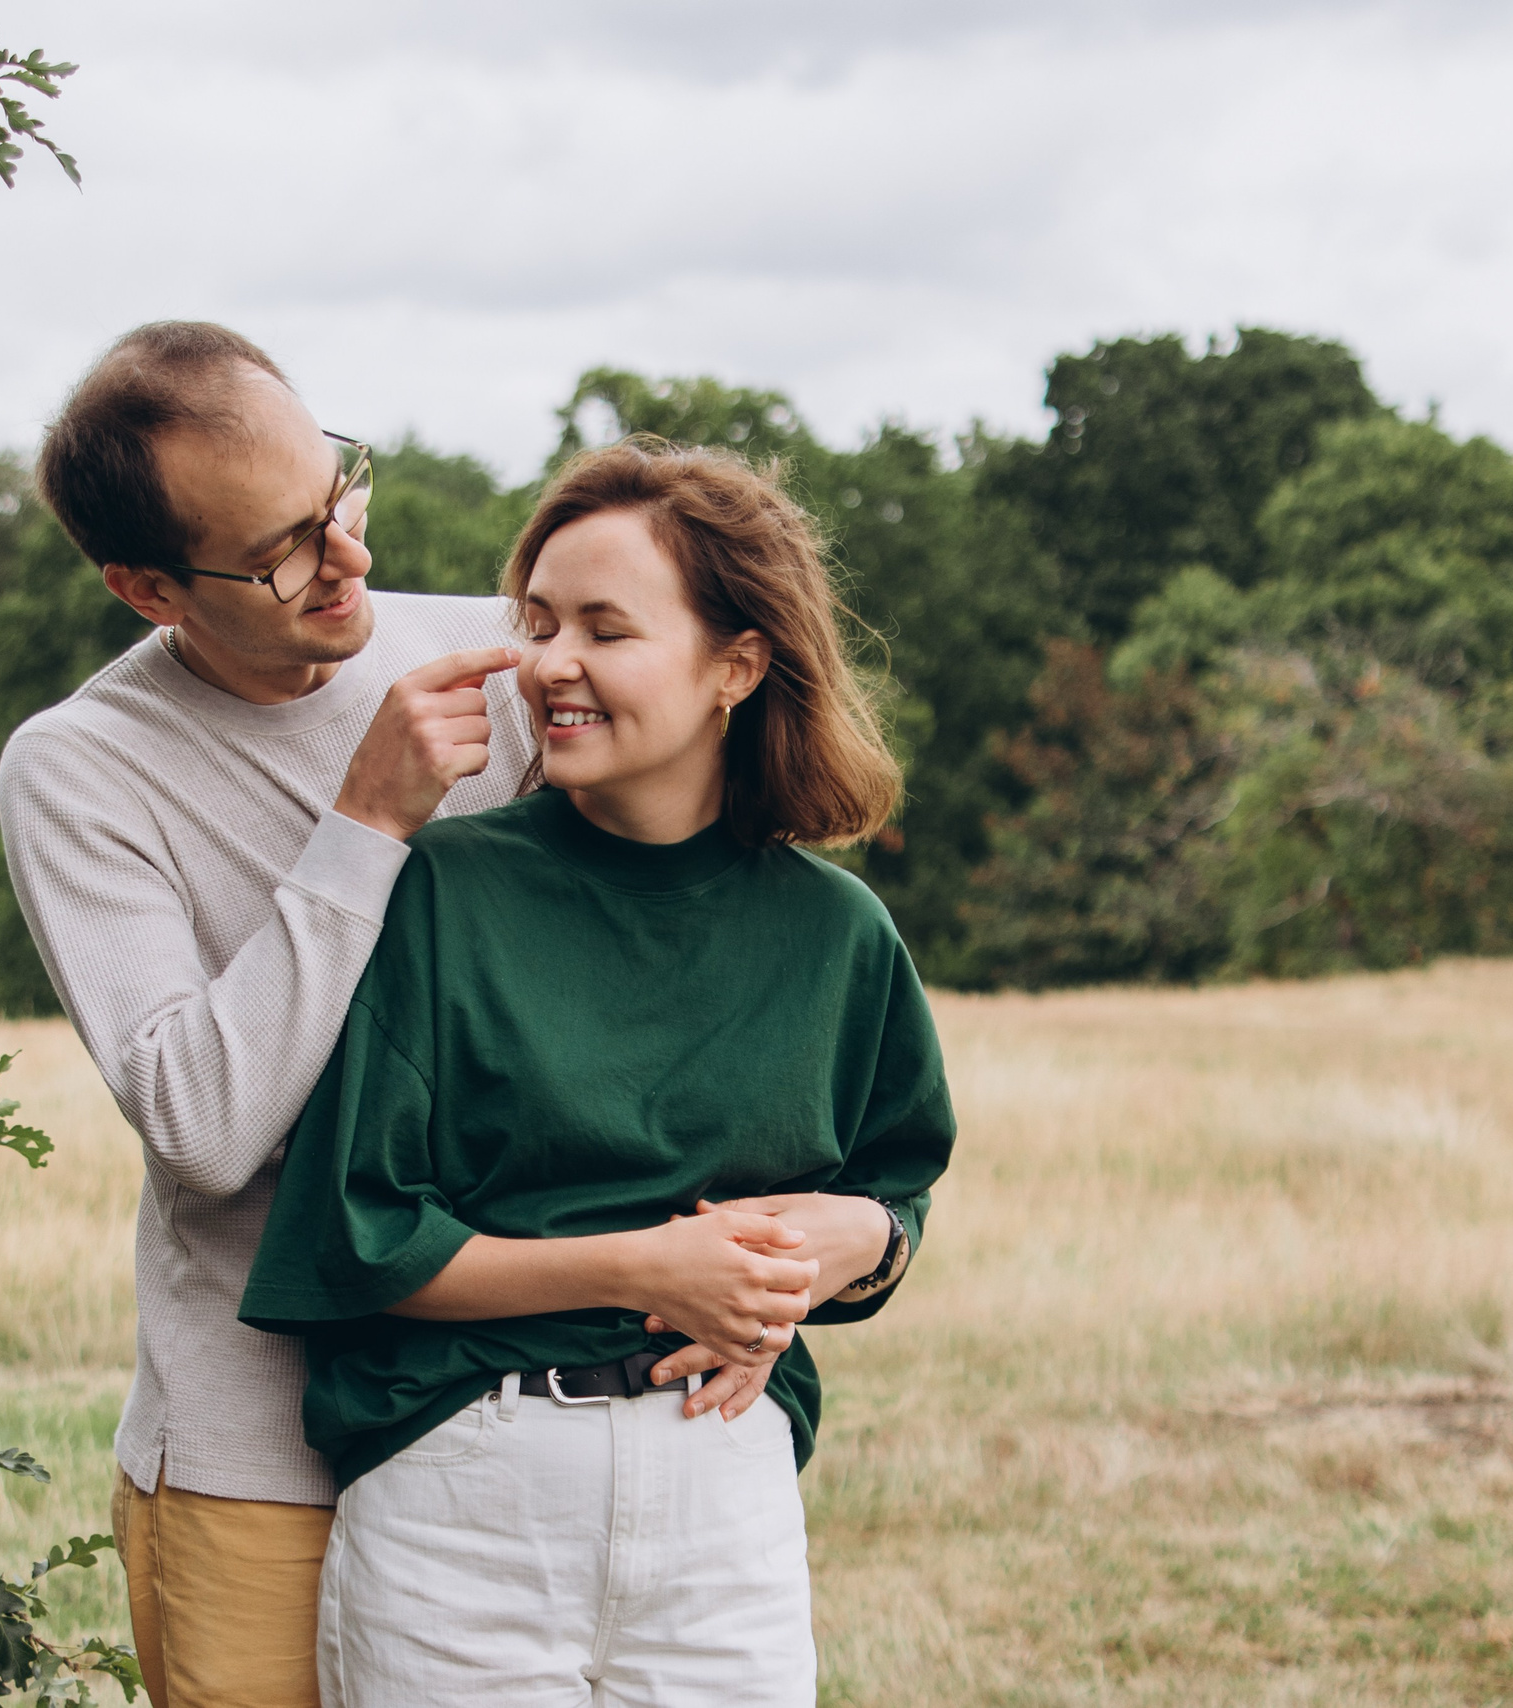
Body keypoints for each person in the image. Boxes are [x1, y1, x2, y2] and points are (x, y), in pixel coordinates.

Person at [3, 326, 886, 1707]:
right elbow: (204, 1131)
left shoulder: (507, 664)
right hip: (256, 1437)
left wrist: (772, 1257)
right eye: (282, 550)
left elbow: (643, 979)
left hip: (516, 1414)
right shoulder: (80, 771)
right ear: (146, 588)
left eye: (336, 493)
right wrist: (365, 824)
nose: (348, 558)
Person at [238, 438, 957, 1707]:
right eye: (540, 620)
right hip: (465, 1496)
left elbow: (892, 1198)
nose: (547, 663)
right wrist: (639, 1265)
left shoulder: (839, 934)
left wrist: (857, 1237)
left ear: (735, 664)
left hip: (723, 1495)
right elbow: (355, 1237)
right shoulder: (445, 892)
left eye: (605, 629)